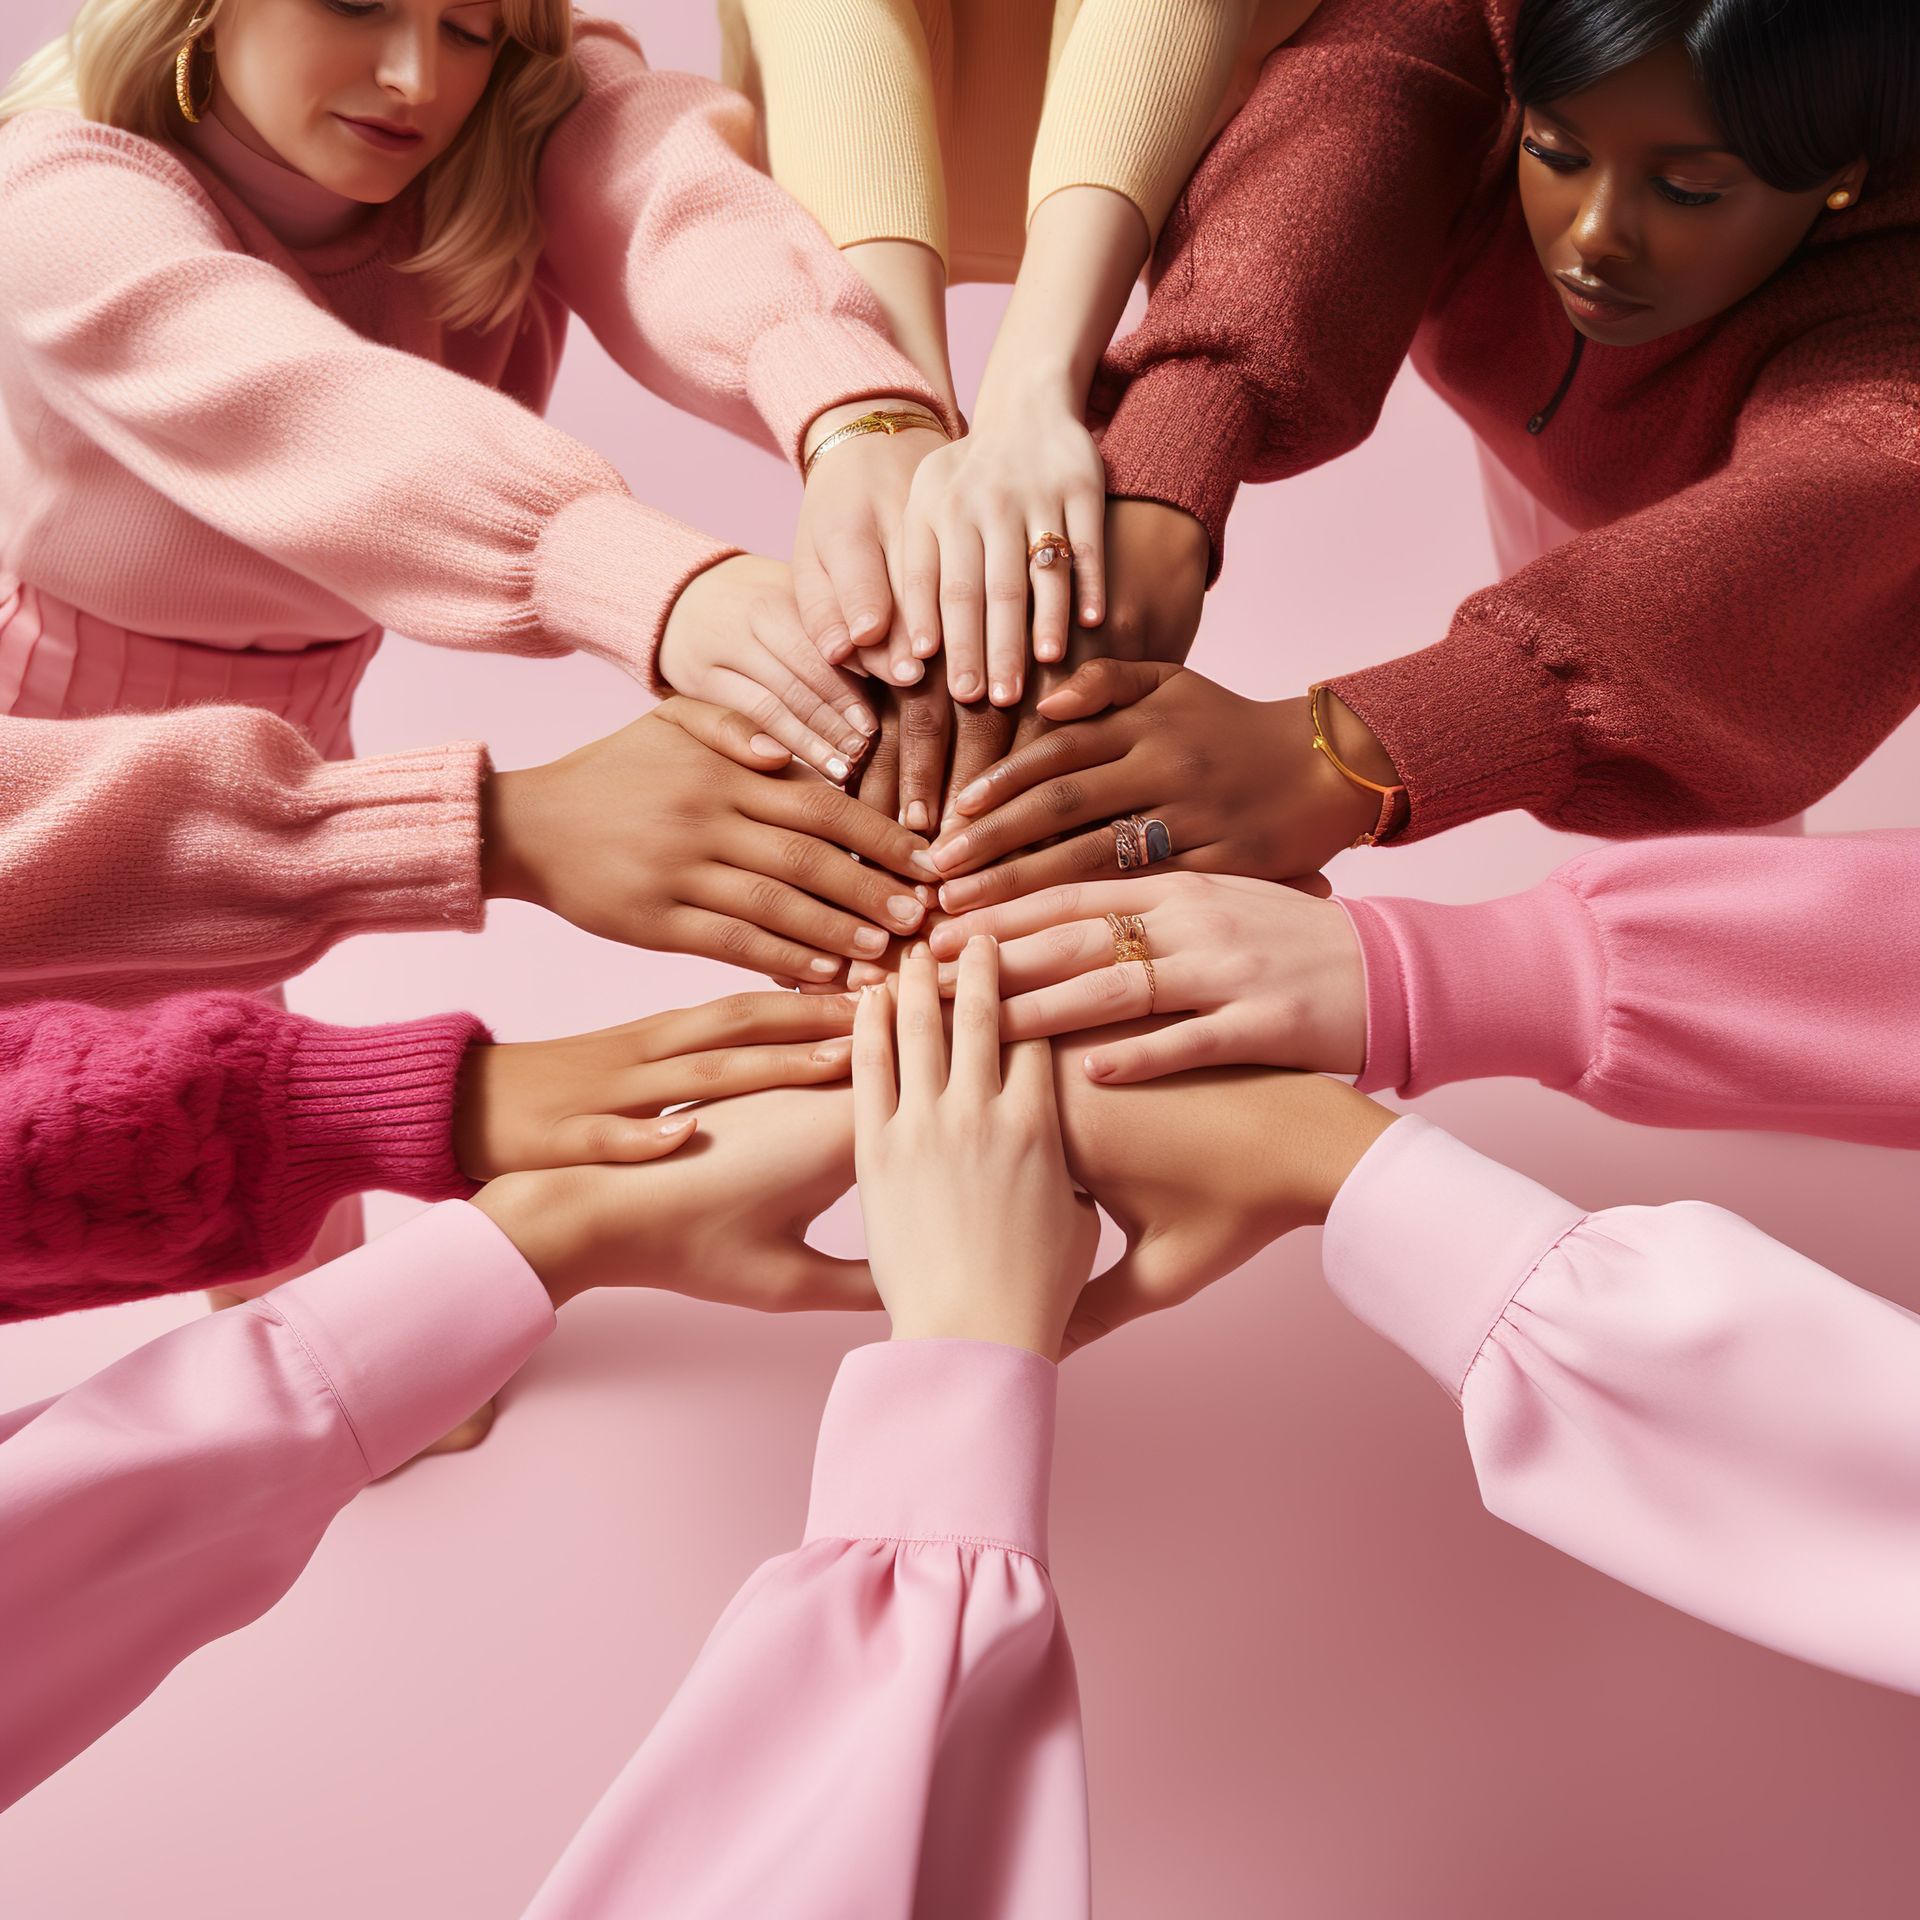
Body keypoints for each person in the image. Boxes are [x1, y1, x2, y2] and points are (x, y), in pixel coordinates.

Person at [927, 0, 1920, 900]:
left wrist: (1354, 752)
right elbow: (1360, 107)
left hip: (1803, 535)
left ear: (1845, 180)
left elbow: (1831, 514)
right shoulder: (1498, 24)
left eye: (1690, 191)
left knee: (1721, 854)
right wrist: (1172, 458)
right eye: (1555, 150)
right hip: (1560, 473)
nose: (1594, 237)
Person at [0, 0, 960, 795]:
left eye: (467, 25)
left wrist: (853, 407)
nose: (417, 78)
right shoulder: (57, 188)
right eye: (356, 3)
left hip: (286, 759)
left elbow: (661, 184)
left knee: (221, 1038)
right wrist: (668, 591)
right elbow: (306, 409)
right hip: (33, 739)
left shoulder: (513, 104)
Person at [721, 0, 1319, 830]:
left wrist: (1026, 400)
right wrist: (900, 411)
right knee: (929, 606)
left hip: (1176, 61)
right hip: (871, 98)